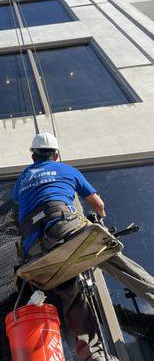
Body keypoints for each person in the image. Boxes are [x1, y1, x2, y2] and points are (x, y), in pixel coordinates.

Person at [13, 132, 154, 361]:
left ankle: (92, 355)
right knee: (108, 254)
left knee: (70, 289)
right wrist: (101, 220)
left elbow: (22, 200)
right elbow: (98, 204)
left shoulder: (22, 178)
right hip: (63, 225)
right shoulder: (67, 170)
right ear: (56, 154)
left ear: (33, 156)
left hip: (33, 247)